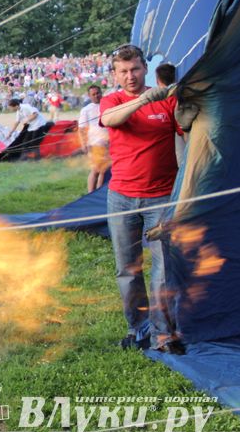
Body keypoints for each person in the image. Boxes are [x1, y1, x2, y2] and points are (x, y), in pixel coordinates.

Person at [100, 44, 183, 353]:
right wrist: (145, 100)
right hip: (121, 197)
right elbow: (111, 120)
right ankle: (138, 329)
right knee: (127, 268)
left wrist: (187, 103)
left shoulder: (167, 100)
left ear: (145, 69)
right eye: (123, 71)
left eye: (135, 69)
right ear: (115, 74)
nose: (130, 76)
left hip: (161, 197)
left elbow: (187, 128)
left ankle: (163, 333)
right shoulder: (113, 101)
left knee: (164, 269)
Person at [78, 84, 110, 193]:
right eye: (93, 94)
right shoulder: (86, 110)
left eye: (98, 93)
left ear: (101, 93)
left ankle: (98, 192)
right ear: (89, 96)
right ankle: (91, 193)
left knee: (104, 170)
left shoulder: (107, 105)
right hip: (94, 143)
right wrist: (83, 144)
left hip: (108, 142)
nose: (96, 96)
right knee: (95, 170)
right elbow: (81, 129)